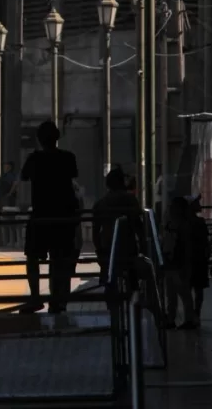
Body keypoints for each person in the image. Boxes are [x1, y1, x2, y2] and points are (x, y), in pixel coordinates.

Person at [15, 121, 79, 314]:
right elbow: (73, 177)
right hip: (63, 215)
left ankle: (35, 297)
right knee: (60, 260)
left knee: (33, 257)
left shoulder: (34, 159)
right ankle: (58, 301)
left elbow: (24, 177)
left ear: (39, 139)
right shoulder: (68, 158)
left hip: (41, 214)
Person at [91, 166, 143, 296]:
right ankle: (133, 302)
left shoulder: (100, 204)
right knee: (132, 281)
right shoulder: (130, 200)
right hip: (128, 245)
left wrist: (99, 250)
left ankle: (112, 302)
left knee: (110, 279)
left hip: (108, 246)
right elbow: (138, 225)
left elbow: (95, 231)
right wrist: (143, 245)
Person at [163, 196, 197, 329]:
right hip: (173, 263)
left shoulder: (181, 226)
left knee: (181, 293)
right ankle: (173, 318)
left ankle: (186, 319)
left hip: (177, 264)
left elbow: (186, 248)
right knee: (173, 294)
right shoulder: (176, 224)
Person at [189, 196, 211, 322]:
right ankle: (195, 313)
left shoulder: (186, 223)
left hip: (192, 258)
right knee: (198, 289)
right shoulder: (199, 222)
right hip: (199, 258)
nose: (199, 204)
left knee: (190, 288)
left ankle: (192, 313)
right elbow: (205, 241)